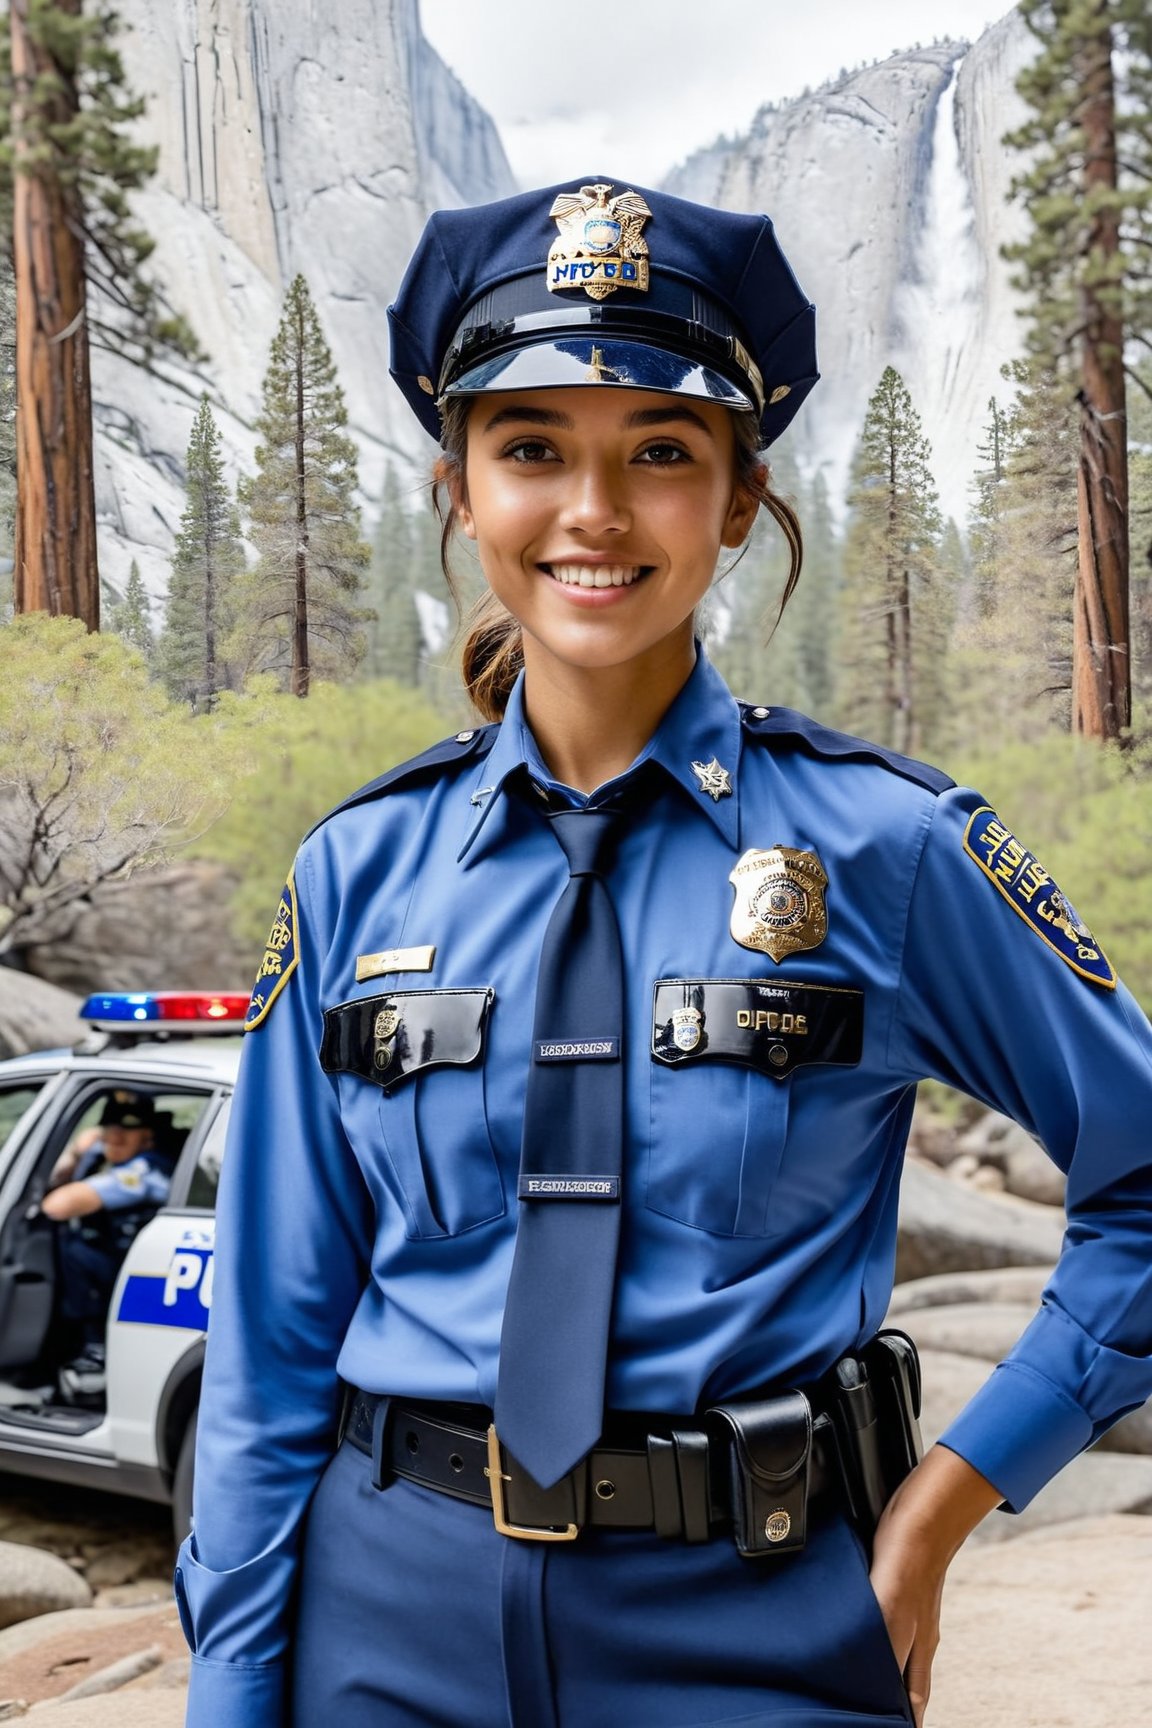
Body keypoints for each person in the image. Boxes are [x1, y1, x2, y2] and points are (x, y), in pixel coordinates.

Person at [177, 177, 1152, 1728]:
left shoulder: (888, 852)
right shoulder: (357, 869)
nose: (593, 512)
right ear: (462, 487)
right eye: (532, 449)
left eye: (661, 454)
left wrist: (942, 1514)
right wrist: (233, 1686)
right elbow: (278, 1326)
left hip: (757, 1629)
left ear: (741, 501)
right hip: (385, 1620)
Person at [43, 1091, 173, 1396]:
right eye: (109, 1126)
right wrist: (78, 1153)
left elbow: (56, 1205)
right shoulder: (108, 1157)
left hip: (127, 1276)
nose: (115, 1134)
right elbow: (56, 1180)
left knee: (78, 1249)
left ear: (148, 1137)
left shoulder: (146, 1170)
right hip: (120, 1274)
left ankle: (94, 1350)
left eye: (127, 1128)